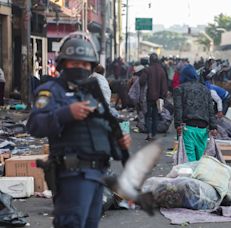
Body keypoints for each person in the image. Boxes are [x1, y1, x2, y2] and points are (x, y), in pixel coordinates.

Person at [26, 33, 131, 228]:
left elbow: (100, 130)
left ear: (91, 67)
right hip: (71, 175)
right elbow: (34, 125)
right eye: (75, 64)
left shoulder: (92, 94)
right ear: (63, 64)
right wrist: (66, 113)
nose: (80, 68)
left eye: (85, 65)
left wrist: (117, 143)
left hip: (98, 174)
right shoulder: (51, 91)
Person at [173, 64, 217, 161]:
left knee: (189, 160)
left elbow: (178, 108)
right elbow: (210, 109)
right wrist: (213, 126)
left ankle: (190, 176)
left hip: (187, 129)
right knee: (200, 160)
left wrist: (177, 125)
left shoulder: (179, 89)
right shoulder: (205, 89)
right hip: (203, 130)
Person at [139, 53, 168, 141]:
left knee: (148, 115)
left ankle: (149, 133)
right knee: (155, 115)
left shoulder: (147, 70)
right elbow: (164, 85)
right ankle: (154, 133)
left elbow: (142, 81)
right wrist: (163, 96)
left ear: (150, 60)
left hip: (148, 96)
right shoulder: (161, 71)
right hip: (158, 98)